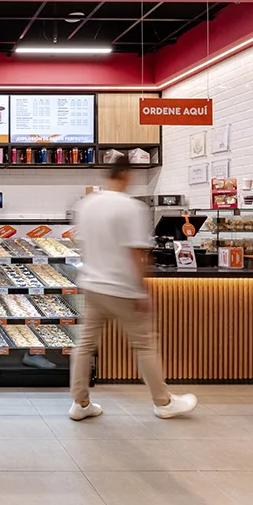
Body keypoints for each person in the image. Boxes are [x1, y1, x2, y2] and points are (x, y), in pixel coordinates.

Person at [70, 157, 197, 421]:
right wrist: (142, 290)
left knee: (84, 345)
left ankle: (80, 403)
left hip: (92, 284)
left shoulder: (87, 204)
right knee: (145, 345)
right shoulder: (131, 207)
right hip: (122, 288)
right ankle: (163, 402)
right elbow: (136, 254)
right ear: (126, 174)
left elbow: (81, 244)